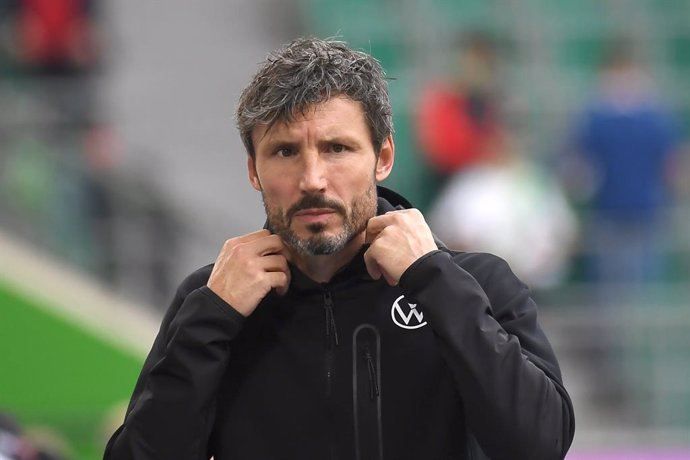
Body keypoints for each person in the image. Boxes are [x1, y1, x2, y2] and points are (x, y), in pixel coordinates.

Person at [104, 37, 574, 460]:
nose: (312, 180)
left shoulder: (476, 283)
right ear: (254, 170)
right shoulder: (212, 300)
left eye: (337, 149)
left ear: (383, 157)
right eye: (285, 152)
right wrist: (211, 316)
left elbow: (539, 445)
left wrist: (434, 278)